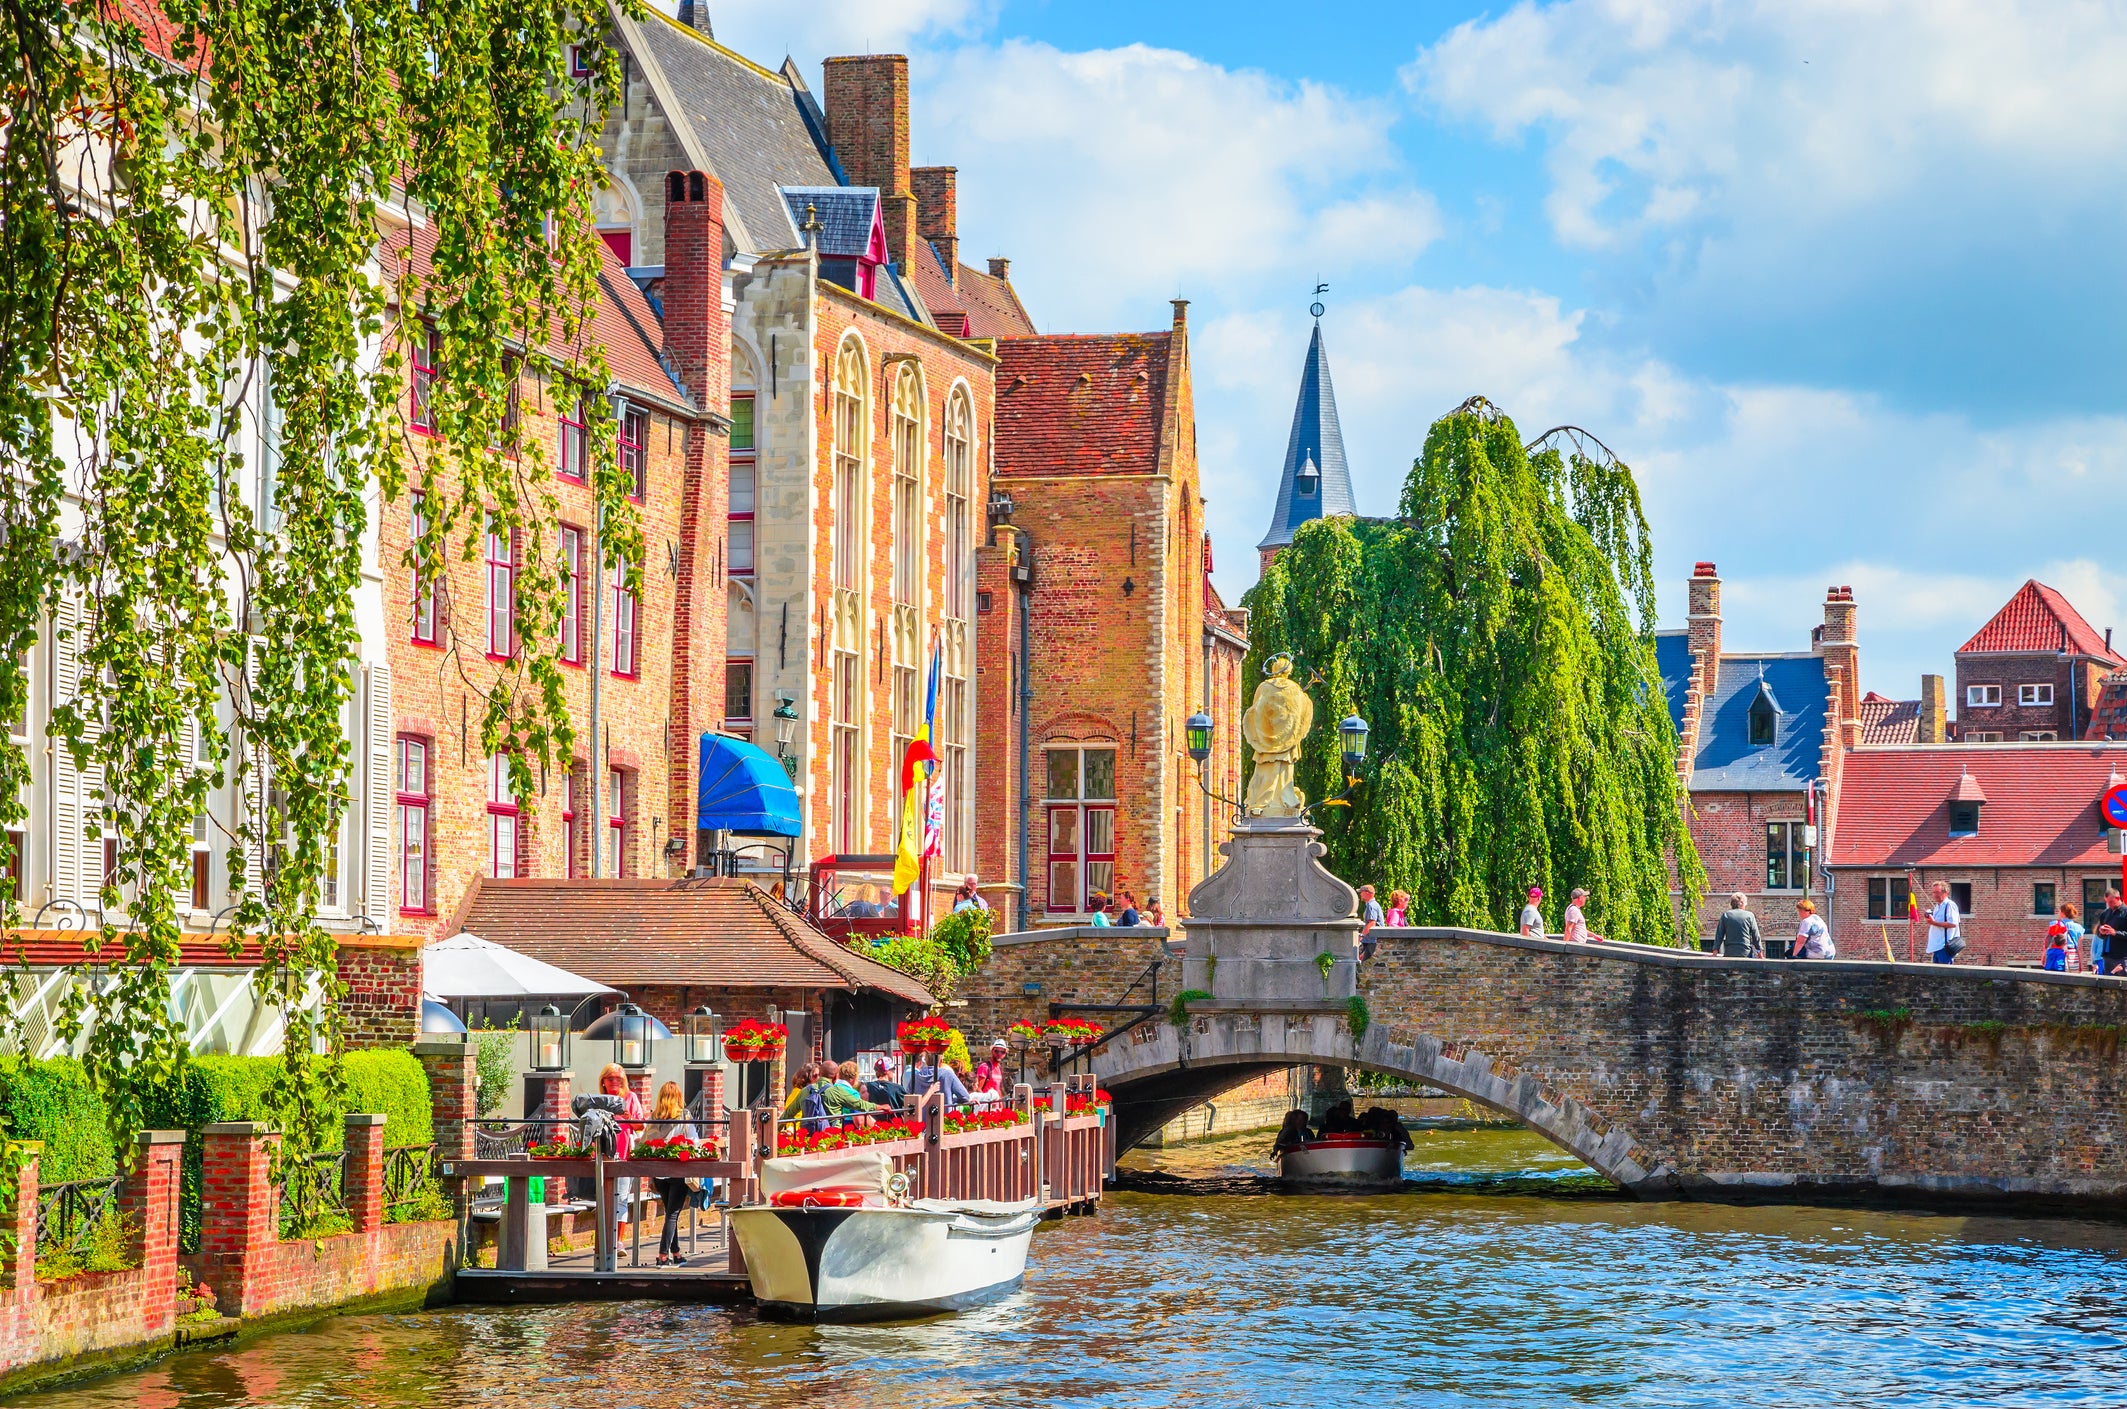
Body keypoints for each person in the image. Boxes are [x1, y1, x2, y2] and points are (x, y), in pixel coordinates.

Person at [648, 1082, 698, 1266]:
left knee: (669, 1211)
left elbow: (647, 1141)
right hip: (678, 1170)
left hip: (659, 1173)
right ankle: (662, 1255)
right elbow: (693, 1141)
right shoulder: (684, 1115)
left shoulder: (654, 1116)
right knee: (673, 1214)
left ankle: (676, 1253)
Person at [595, 1064, 645, 1244]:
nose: (615, 1081)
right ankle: (603, 1239)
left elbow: (640, 1126)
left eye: (618, 1078)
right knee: (604, 1198)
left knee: (622, 1197)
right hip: (604, 1155)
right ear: (604, 1081)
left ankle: (618, 1240)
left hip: (624, 1153)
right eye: (610, 1078)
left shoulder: (630, 1098)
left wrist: (627, 1116)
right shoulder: (599, 1100)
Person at [908, 1051, 972, 1107]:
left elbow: (908, 1098)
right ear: (941, 1061)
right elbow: (965, 1097)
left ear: (926, 1061)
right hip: (944, 1118)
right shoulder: (947, 1074)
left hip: (920, 1119)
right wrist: (949, 1099)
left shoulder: (915, 1076)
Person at [1713, 893, 1763, 958]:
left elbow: (1719, 935)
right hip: (1746, 953)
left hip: (1730, 953)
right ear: (1743, 904)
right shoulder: (1750, 915)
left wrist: (1715, 952)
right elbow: (1756, 936)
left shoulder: (1726, 915)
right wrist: (1760, 954)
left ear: (1731, 904)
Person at [1925, 881, 1961, 964]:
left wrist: (1934, 923)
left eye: (1937, 892)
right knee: (1936, 975)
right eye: (1933, 892)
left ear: (1945, 892)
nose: (1935, 895)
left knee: (1945, 974)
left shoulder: (1950, 905)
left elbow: (1953, 924)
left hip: (1945, 947)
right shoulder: (1938, 906)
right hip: (1937, 947)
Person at [2095, 891, 2127, 975]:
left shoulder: (2125, 912)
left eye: (2111, 902)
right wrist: (2101, 931)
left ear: (2118, 898)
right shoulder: (2105, 913)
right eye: (2107, 902)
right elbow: (2099, 933)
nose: (2109, 904)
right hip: (2107, 956)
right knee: (2107, 983)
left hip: (2122, 956)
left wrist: (2115, 933)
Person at [2054, 902, 2086, 974]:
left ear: (2063, 913)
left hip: (2060, 954)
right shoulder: (2079, 927)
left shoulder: (2057, 925)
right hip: (2073, 956)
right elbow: (2080, 948)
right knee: (2073, 980)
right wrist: (2081, 963)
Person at [1357, 884, 1385, 959]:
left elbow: (1371, 923)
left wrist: (1361, 936)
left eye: (1361, 892)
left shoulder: (1371, 905)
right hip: (1371, 940)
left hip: (1372, 940)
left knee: (1367, 965)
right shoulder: (1371, 904)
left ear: (1367, 893)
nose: (1360, 894)